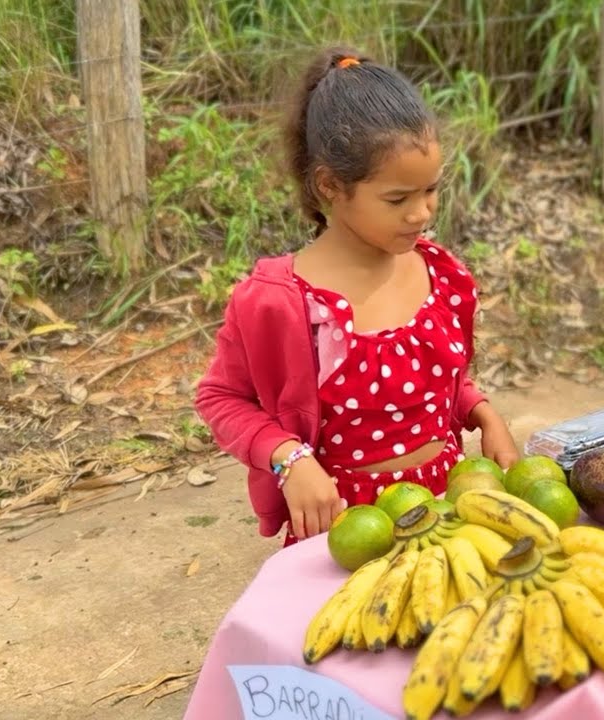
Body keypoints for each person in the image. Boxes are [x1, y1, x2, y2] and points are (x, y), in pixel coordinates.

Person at [195, 48, 519, 547]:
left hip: (449, 513)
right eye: (397, 199)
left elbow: (434, 382)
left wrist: (481, 412)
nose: (421, 214)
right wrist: (289, 458)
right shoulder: (280, 302)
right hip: (345, 531)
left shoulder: (441, 275)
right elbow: (220, 398)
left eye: (431, 190)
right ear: (329, 186)